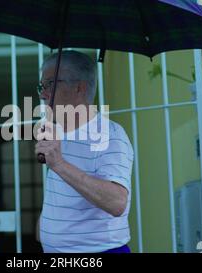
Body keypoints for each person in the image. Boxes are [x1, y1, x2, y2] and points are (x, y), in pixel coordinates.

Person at [35, 50, 134, 253]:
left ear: (79, 88)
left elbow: (117, 202)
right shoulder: (57, 131)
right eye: (41, 86)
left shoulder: (110, 135)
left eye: (51, 84)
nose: (43, 94)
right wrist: (46, 225)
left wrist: (59, 164)